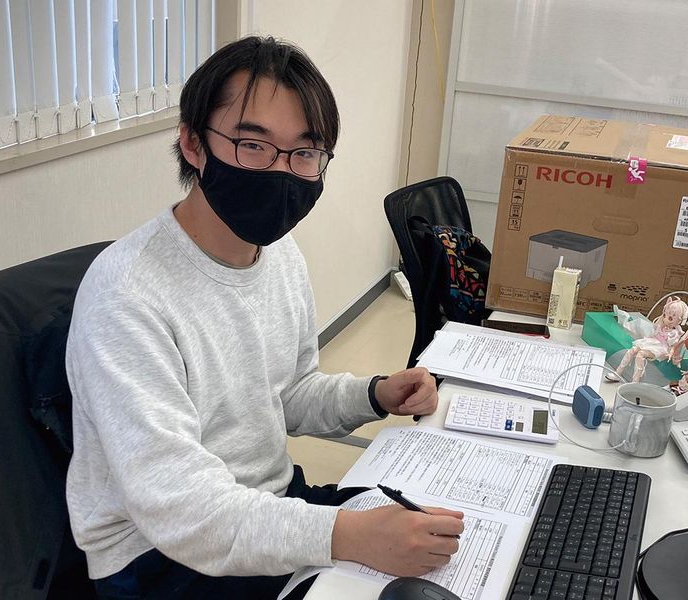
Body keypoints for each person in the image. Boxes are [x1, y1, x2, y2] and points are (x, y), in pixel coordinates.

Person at [65, 35, 464, 600]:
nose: (281, 171)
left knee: (448, 538)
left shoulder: (277, 254)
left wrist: (375, 394)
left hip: (266, 507)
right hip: (161, 557)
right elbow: (179, 507)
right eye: (253, 145)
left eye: (305, 153)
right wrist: (349, 536)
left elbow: (286, 395)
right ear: (193, 143)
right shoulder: (126, 294)